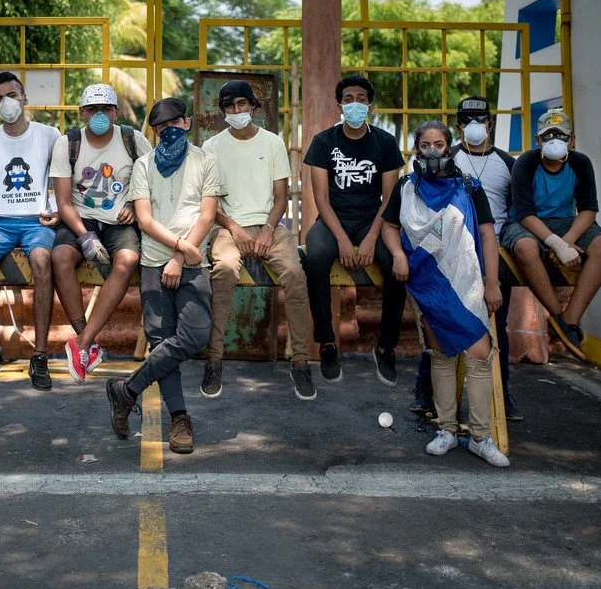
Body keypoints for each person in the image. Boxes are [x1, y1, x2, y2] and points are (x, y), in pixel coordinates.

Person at [381, 120, 510, 468]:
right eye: (425, 146)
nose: (432, 152)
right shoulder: (406, 188)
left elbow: (487, 236)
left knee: (480, 352)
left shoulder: (469, 187)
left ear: (448, 148)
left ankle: (481, 438)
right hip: (427, 281)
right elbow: (389, 227)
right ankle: (448, 431)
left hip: (467, 281)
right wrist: (397, 254)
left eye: (439, 145)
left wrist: (493, 283)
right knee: (439, 351)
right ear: (416, 149)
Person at [105, 98, 224, 455]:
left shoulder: (205, 160)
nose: (167, 130)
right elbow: (144, 219)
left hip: (190, 264)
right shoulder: (143, 165)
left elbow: (206, 215)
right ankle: (180, 420)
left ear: (187, 122)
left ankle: (126, 390)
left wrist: (181, 256)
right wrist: (176, 250)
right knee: (162, 343)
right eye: (160, 127)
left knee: (196, 334)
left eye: (174, 123)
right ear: (153, 132)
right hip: (155, 265)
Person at [409, 96, 523, 422]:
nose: (475, 124)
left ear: (490, 123)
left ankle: (503, 395)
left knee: (494, 325)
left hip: (491, 256)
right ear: (458, 125)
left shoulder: (507, 163)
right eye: (467, 119)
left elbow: (516, 212)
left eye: (481, 118)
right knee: (437, 322)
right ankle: (426, 393)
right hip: (449, 259)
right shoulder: (447, 159)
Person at [201, 80, 314, 400]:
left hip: (270, 228)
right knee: (223, 270)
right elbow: (210, 203)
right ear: (223, 110)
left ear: (253, 106)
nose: (236, 111)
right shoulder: (212, 148)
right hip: (227, 228)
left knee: (294, 274)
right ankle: (214, 359)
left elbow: (281, 198)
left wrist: (267, 230)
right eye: (229, 106)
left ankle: (301, 362)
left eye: (241, 104)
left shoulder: (272, 143)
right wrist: (234, 229)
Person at [303, 74, 406, 386]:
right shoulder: (323, 142)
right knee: (317, 257)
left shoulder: (385, 143)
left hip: (374, 219)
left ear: (370, 107)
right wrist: (343, 241)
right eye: (348, 99)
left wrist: (372, 237)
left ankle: (386, 346)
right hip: (334, 220)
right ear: (339, 106)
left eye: (361, 99)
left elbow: (389, 199)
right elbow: (321, 199)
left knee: (398, 267)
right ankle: (327, 343)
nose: (355, 104)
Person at [0, 71, 60, 391]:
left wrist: (58, 212)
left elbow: (62, 183)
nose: (6, 103)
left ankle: (40, 355)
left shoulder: (49, 135)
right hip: (0, 222)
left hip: (37, 220)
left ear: (24, 99)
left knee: (42, 262)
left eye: (12, 96)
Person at [51, 83, 151, 382]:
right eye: (93, 109)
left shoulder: (132, 139)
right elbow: (64, 202)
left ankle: (81, 344)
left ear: (116, 112)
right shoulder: (67, 143)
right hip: (81, 217)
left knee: (127, 261)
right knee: (60, 257)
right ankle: (87, 338)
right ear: (82, 112)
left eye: (105, 109)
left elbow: (152, 179)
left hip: (121, 219)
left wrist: (135, 204)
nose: (99, 115)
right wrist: (84, 236)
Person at [498, 109, 601, 361]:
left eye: (560, 135)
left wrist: (567, 240)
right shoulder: (525, 164)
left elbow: (588, 210)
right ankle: (557, 315)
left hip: (566, 223)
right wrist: (556, 245)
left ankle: (569, 322)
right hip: (526, 224)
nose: (554, 140)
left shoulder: (580, 163)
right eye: (547, 135)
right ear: (538, 140)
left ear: (571, 140)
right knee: (526, 248)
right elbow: (525, 214)